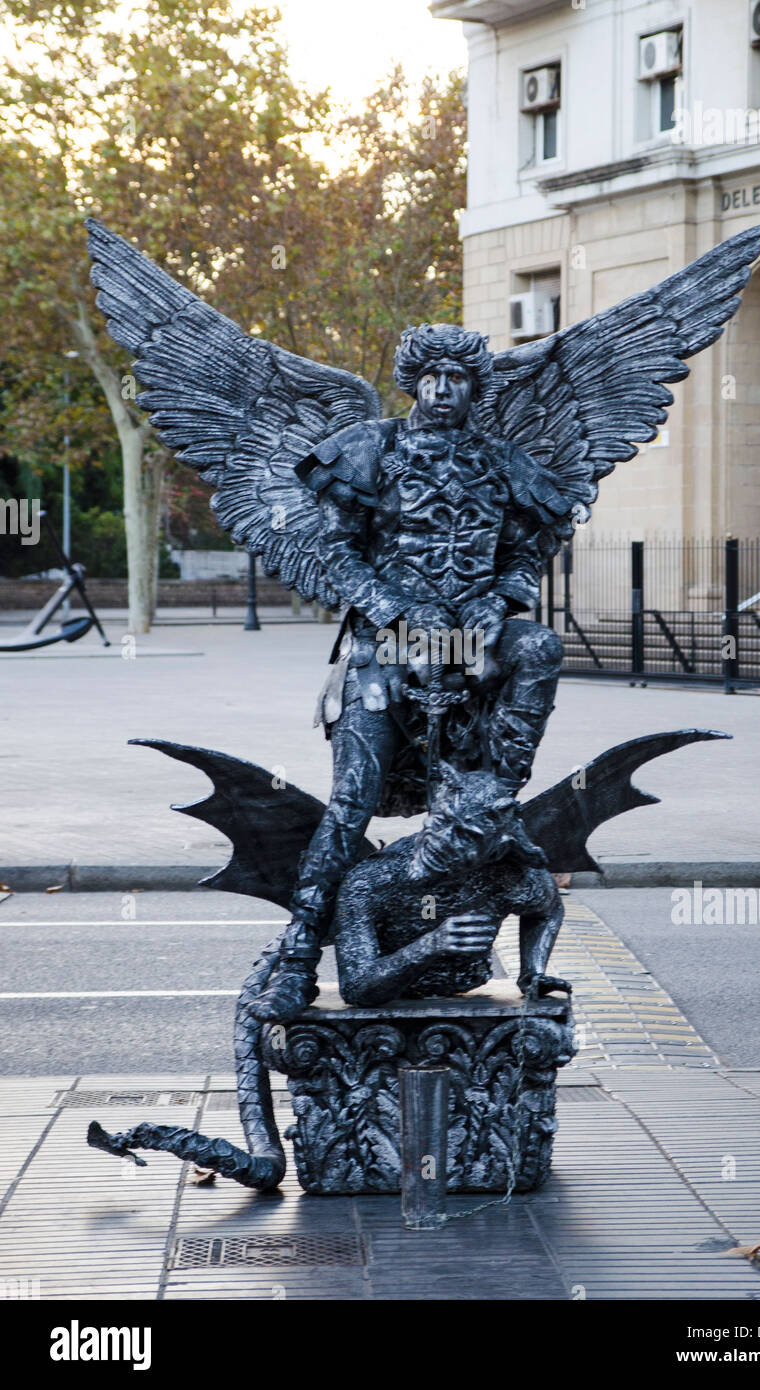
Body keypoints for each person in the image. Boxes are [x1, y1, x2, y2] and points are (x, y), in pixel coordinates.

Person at [249, 323, 569, 1023]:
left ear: (474, 385)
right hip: (386, 647)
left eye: (459, 377)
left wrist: (500, 598)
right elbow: (340, 559)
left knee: (540, 648)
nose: (445, 389)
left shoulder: (501, 461)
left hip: (472, 641)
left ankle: (494, 795)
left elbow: (533, 544)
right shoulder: (370, 450)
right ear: (412, 381)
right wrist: (397, 612)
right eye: (433, 377)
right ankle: (301, 953)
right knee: (351, 802)